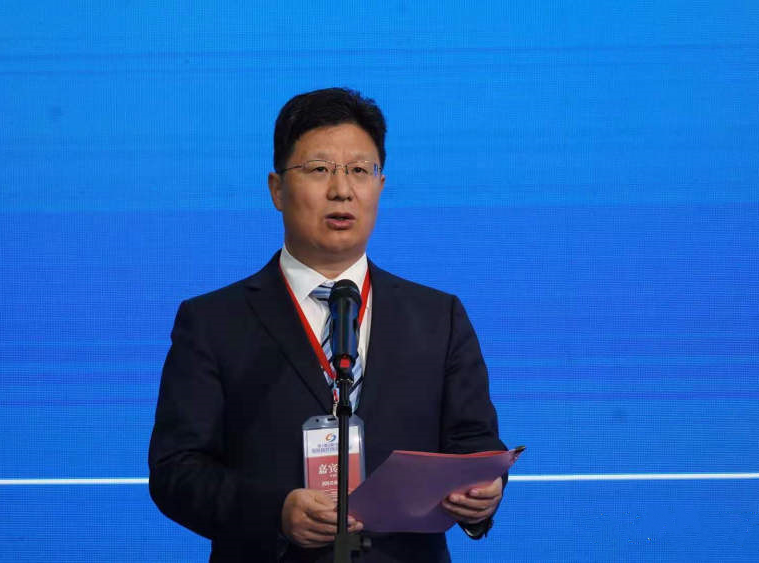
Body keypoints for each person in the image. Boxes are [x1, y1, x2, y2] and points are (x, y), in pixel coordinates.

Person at [148, 87, 506, 562]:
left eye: (360, 170)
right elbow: (176, 471)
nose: (342, 190)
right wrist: (275, 512)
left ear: (380, 185)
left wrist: (483, 494)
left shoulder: (438, 317)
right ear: (277, 189)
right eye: (319, 169)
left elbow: (475, 444)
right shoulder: (213, 322)